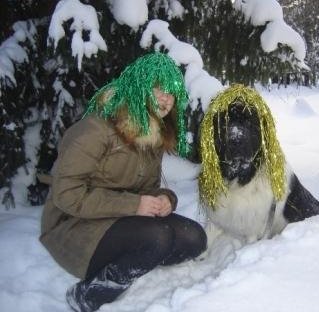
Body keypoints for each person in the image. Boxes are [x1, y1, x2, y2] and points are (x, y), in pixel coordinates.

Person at [39, 52, 207, 312]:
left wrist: (165, 200)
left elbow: (146, 190)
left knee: (195, 238)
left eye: (171, 93)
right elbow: (67, 195)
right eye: (158, 89)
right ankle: (87, 295)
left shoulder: (153, 134)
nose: (165, 99)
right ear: (140, 85)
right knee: (158, 237)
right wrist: (134, 206)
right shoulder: (95, 129)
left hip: (120, 219)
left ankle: (140, 254)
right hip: (73, 226)